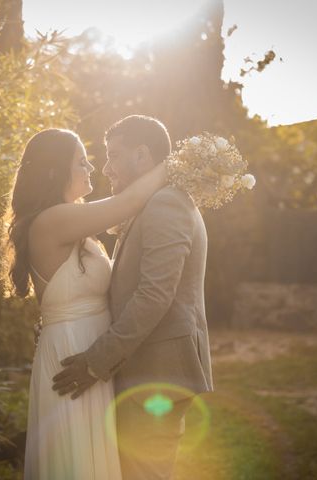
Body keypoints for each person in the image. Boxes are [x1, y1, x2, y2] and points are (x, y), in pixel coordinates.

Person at [52, 115, 213, 479]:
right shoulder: (152, 202)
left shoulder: (166, 203)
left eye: (113, 155)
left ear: (142, 156)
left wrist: (97, 360)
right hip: (147, 370)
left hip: (157, 375)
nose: (106, 167)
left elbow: (155, 295)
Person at [1, 127, 166, 479]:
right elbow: (128, 203)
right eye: (82, 161)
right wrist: (179, 163)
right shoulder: (53, 220)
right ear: (53, 171)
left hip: (88, 349)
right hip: (72, 352)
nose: (91, 168)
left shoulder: (72, 218)